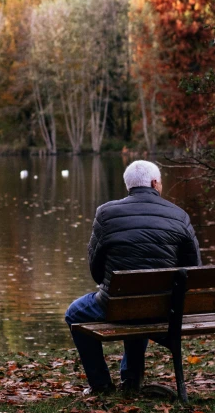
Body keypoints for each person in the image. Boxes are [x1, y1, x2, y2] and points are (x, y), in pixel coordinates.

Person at [65, 159, 202, 394]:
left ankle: (100, 384)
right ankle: (130, 379)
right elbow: (193, 269)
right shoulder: (179, 215)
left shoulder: (106, 214)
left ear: (128, 185)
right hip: (163, 306)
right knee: (141, 302)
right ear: (155, 183)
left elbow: (96, 270)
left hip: (119, 303)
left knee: (75, 313)